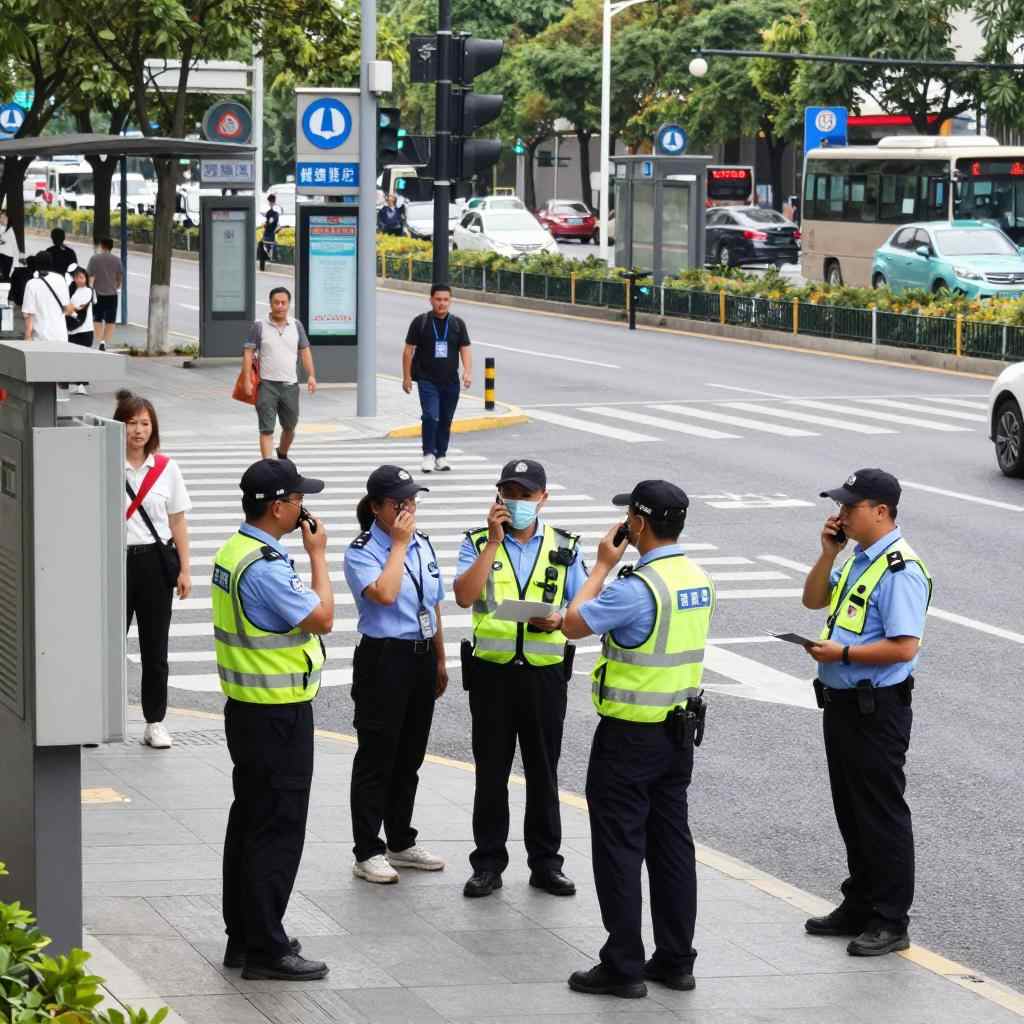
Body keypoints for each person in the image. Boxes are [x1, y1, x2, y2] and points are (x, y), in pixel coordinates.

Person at [561, 481, 714, 999]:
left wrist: (601, 566)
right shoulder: (698, 580)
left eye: (629, 516)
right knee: (672, 846)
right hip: (679, 733)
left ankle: (623, 964)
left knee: (620, 847)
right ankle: (676, 958)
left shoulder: (636, 588)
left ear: (639, 524)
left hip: (629, 738)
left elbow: (572, 624)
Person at [800, 468, 931, 957]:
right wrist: (827, 553)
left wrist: (845, 654)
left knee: (880, 813)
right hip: (842, 705)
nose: (840, 514)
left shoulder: (900, 570)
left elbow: (904, 646)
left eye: (849, 507)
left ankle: (891, 920)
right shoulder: (858, 559)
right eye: (839, 506)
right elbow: (813, 599)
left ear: (881, 512)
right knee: (852, 811)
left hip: (876, 709)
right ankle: (859, 903)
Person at [213, 457, 333, 981]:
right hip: (276, 715)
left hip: (248, 711)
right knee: (278, 829)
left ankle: (244, 936)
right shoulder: (264, 566)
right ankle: (267, 948)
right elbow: (322, 617)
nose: (303, 507)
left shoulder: (235, 550)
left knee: (249, 821)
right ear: (279, 507)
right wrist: (319, 556)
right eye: (299, 498)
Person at [453, 458, 586, 899]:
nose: (515, 502)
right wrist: (493, 543)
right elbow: (464, 596)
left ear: (543, 498)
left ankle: (546, 864)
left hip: (544, 676)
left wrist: (560, 618)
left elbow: (584, 608)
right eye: (508, 493)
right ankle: (487, 864)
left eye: (525, 495)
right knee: (491, 773)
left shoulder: (566, 546)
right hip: (491, 675)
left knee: (543, 772)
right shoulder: (477, 541)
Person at [343, 465, 447, 884]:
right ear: (376, 507)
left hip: (421, 654)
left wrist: (439, 659)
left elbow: (433, 603)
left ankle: (401, 841)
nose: (408, 509)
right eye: (398, 503)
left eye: (412, 501)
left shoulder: (423, 543)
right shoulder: (363, 550)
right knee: (377, 756)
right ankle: (367, 849)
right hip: (384, 657)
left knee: (410, 755)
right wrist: (399, 544)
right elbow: (385, 594)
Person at [115, 390, 193, 750]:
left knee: (155, 649)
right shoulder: (106, 463)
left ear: (153, 428)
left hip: (154, 564)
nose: (138, 430)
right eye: (131, 423)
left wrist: (185, 570)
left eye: (144, 423)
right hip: (114, 561)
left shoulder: (166, 469)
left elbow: (177, 521)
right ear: (119, 426)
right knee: (106, 646)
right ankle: (96, 718)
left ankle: (155, 722)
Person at [402, 283, 472, 474]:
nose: (442, 303)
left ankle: (441, 456)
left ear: (450, 301)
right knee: (430, 416)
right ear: (431, 300)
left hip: (450, 381)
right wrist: (407, 377)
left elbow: (465, 348)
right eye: (438, 299)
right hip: (427, 380)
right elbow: (408, 351)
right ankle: (428, 455)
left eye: (446, 300)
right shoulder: (421, 322)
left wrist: (467, 371)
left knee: (446, 419)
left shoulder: (457, 324)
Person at [242, 286, 317, 460]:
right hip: (266, 385)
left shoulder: (296, 325)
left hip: (290, 386)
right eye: (276, 302)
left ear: (289, 304)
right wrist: (247, 380)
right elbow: (248, 353)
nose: (280, 306)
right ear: (270, 304)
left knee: (290, 427)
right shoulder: (259, 326)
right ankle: (267, 466)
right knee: (266, 429)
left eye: (284, 302)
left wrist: (311, 375)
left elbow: (305, 351)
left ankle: (282, 454)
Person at [22, 250, 73, 343]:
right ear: (51, 263)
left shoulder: (31, 284)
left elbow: (28, 314)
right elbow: (67, 308)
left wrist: (28, 337)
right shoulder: (60, 279)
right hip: (60, 335)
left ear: (36, 265)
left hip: (41, 337)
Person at [87, 237, 123, 351]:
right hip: (112, 294)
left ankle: (99, 341)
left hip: (97, 294)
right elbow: (119, 277)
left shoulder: (94, 259)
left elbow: (90, 276)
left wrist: (90, 288)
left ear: (102, 246)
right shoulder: (117, 260)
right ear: (111, 247)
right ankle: (104, 342)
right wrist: (117, 286)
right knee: (110, 320)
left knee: (97, 318)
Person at [67, 265, 95, 395]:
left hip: (85, 330)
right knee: (74, 357)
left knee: (82, 357)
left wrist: (69, 308)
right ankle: (76, 384)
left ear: (86, 278)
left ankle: (81, 385)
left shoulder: (88, 291)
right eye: (76, 277)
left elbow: (73, 308)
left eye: (81, 277)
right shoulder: (73, 289)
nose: (78, 280)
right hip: (73, 329)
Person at [259, 195, 280, 271]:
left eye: (270, 202)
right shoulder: (269, 211)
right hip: (267, 233)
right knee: (262, 245)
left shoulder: (276, 212)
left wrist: (267, 224)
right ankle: (262, 266)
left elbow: (272, 221)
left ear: (273, 202)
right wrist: (265, 223)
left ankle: (271, 259)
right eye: (269, 202)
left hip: (271, 233)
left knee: (266, 247)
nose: (269, 203)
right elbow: (268, 220)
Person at [0, 210, 18, 282]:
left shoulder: (11, 230)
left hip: (7, 257)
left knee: (4, 278)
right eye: (1, 217)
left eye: (3, 218)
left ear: (8, 219)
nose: (1, 219)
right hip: (3, 256)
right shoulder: (2, 228)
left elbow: (14, 247)